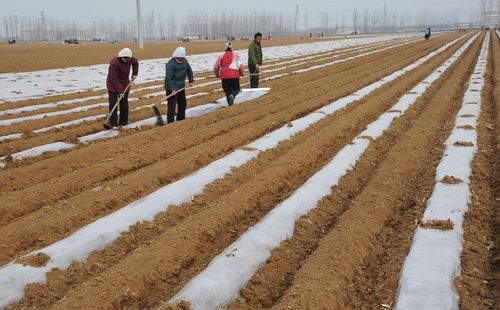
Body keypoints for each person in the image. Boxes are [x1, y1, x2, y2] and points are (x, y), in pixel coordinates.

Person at [106, 47, 139, 127]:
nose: (127, 60)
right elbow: (114, 79)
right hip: (112, 85)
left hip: (125, 84)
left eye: (128, 59)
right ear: (121, 57)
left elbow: (135, 63)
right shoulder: (114, 63)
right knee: (113, 104)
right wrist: (120, 91)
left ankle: (123, 124)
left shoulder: (130, 59)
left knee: (124, 105)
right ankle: (113, 124)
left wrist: (134, 74)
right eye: (125, 59)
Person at [165, 47, 194, 124]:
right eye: (180, 58)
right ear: (176, 56)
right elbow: (168, 78)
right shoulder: (170, 64)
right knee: (172, 106)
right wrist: (172, 89)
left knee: (182, 104)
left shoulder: (185, 61)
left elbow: (189, 71)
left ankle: (181, 119)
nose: (181, 59)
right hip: (172, 87)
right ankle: (170, 121)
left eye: (182, 57)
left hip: (181, 86)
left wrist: (191, 81)